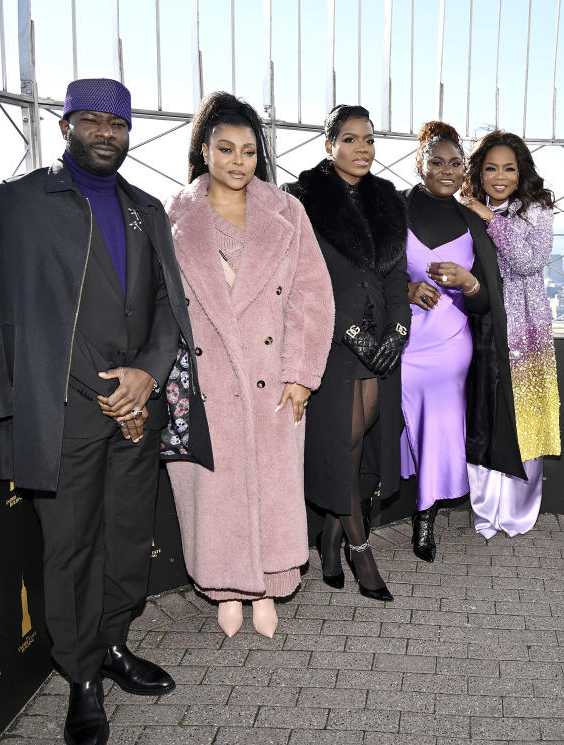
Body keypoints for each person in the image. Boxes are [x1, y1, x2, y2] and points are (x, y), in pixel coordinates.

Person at [0, 78, 213, 745]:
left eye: (118, 122)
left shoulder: (145, 207)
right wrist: (107, 395)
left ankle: (112, 645)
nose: (106, 132)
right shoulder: (20, 203)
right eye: (92, 120)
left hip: (139, 407)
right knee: (72, 547)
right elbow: (3, 317)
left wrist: (147, 375)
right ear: (64, 125)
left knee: (129, 538)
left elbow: (171, 305)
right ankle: (80, 677)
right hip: (65, 416)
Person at [164, 92, 334, 638]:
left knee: (274, 483)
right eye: (225, 148)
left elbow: (313, 296)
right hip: (205, 382)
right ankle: (225, 587)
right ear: (204, 150)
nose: (238, 161)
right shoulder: (174, 216)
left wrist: (301, 374)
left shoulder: (287, 212)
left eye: (248, 150)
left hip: (272, 381)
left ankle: (270, 583)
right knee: (214, 490)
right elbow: (159, 305)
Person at [283, 104, 409, 602]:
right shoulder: (303, 198)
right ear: (329, 143)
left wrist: (398, 332)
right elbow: (301, 281)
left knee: (360, 443)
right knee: (344, 441)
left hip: (381, 341)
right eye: (351, 139)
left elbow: (396, 276)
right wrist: (349, 332)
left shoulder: (387, 199)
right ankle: (360, 548)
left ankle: (331, 535)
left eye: (370, 140)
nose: (363, 149)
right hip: (331, 341)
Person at [463, 130, 561, 537]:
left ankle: (518, 513)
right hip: (478, 325)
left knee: (524, 415)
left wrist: (491, 221)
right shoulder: (464, 210)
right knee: (482, 415)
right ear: (479, 173)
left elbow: (526, 261)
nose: (499, 177)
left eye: (508, 169)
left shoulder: (536, 209)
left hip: (523, 330)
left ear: (521, 174)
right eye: (490, 168)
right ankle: (485, 512)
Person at [400, 121, 486, 562]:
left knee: (437, 424)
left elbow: (491, 295)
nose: (447, 170)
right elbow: (364, 274)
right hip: (401, 338)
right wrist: (405, 289)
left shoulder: (473, 219)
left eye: (456, 163)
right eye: (437, 162)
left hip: (451, 338)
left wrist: (469, 282)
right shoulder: (394, 209)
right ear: (420, 164)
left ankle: (425, 517)